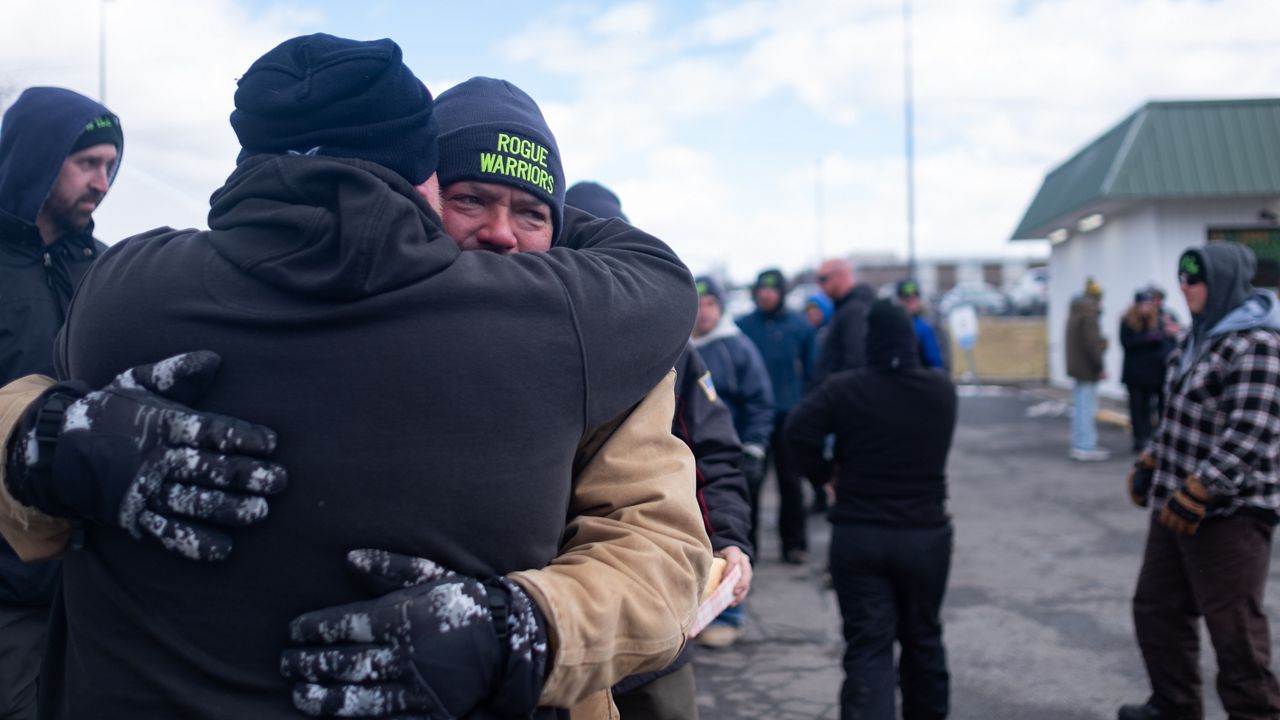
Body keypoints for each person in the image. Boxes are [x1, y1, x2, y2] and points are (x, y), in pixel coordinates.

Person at [20, 36, 708, 719]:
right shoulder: (581, 320)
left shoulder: (598, 346)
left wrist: (527, 629)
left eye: (531, 212)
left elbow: (662, 553)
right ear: (421, 185)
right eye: (472, 198)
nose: (503, 234)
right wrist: (37, 439)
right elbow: (26, 396)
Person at [566, 179, 755, 718]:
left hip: (655, 626)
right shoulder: (522, 333)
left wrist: (731, 541)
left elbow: (714, 450)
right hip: (554, 625)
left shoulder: (669, 347)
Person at [0, 86, 122, 720]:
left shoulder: (105, 273)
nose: (103, 182)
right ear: (39, 158)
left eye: (110, 165)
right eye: (87, 163)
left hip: (86, 581)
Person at [1121, 243, 1280, 720]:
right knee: (1157, 609)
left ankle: (1256, 714)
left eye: (1195, 279)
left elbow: (1252, 433)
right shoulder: (1199, 338)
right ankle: (1174, 706)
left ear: (1224, 282)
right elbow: (1178, 416)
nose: (1184, 288)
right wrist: (1151, 460)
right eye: (1182, 278)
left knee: (1234, 630)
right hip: (1175, 506)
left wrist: (1202, 488)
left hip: (1231, 514)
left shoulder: (1257, 344)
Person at [786, 299, 958, 720]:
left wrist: (824, 475)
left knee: (868, 647)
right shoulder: (941, 391)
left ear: (870, 340)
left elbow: (797, 431)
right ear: (911, 336)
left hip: (859, 535)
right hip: (925, 535)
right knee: (924, 639)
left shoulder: (844, 389)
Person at [691, 275, 773, 647]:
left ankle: (731, 612)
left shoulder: (737, 347)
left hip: (729, 458)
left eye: (710, 305)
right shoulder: (676, 345)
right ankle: (698, 607)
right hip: (686, 463)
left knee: (733, 533)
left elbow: (759, 400)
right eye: (698, 304)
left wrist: (754, 446)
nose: (703, 312)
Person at [736, 268, 816, 565]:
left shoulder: (799, 326)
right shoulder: (743, 326)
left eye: (772, 290)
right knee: (749, 484)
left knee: (791, 484)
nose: (766, 295)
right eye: (761, 290)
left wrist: (804, 410)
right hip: (754, 419)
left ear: (782, 293)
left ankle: (794, 544)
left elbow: (812, 373)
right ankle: (746, 547)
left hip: (788, 419)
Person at [1119, 290, 1172, 453]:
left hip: (1153, 373)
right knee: (1137, 408)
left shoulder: (1159, 321)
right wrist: (1145, 339)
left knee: (1150, 408)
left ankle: (1150, 439)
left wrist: (1159, 338)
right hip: (1135, 373)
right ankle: (1139, 438)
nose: (1145, 308)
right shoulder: (1127, 321)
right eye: (1143, 304)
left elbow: (1166, 343)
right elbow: (1126, 343)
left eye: (1148, 304)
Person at [1066, 277, 1110, 461]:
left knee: (1080, 407)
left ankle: (1081, 443)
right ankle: (1086, 445)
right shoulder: (1089, 314)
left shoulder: (1076, 311)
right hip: (1087, 369)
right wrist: (1099, 365)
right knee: (1087, 409)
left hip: (1078, 367)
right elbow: (1092, 343)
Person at [813, 258, 877, 383]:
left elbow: (856, 361)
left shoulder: (854, 310)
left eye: (823, 279)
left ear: (841, 276)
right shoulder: (844, 307)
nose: (819, 285)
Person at [896, 279, 946, 370]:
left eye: (914, 299)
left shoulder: (926, 326)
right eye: (907, 299)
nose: (911, 303)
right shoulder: (892, 325)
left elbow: (935, 362)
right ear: (899, 300)